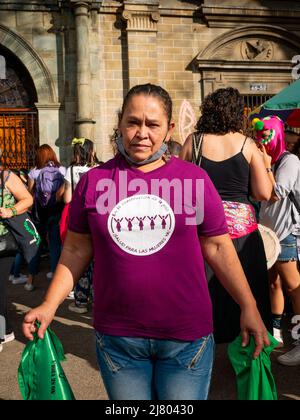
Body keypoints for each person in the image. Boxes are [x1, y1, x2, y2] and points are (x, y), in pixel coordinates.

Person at [23, 84, 269, 400]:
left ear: (168, 129)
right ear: (120, 124)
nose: (142, 133)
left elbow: (218, 247)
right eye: (133, 122)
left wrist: (248, 305)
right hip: (119, 339)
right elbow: (75, 248)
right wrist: (49, 304)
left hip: (186, 339)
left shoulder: (194, 180)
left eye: (152, 125)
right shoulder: (94, 183)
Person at [180, 87, 273, 344]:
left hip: (203, 233)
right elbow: (263, 193)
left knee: (205, 294)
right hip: (243, 235)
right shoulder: (247, 144)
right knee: (246, 291)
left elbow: (180, 190)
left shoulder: (193, 141)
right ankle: (246, 345)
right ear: (236, 113)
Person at [255, 116, 300, 366]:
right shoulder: (267, 161)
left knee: (295, 287)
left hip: (287, 233)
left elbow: (277, 194)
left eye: (266, 136)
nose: (262, 142)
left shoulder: (289, 161)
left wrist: (266, 166)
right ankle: (277, 335)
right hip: (268, 235)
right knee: (274, 284)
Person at [0, 149, 33, 352]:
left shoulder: (7, 177)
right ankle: (8, 329)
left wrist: (9, 210)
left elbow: (28, 199)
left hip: (4, 243)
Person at [63, 137, 99, 313]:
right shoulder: (99, 169)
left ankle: (81, 301)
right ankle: (97, 298)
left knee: (79, 257)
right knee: (98, 259)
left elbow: (67, 199)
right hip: (96, 218)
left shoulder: (70, 170)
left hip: (78, 218)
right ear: (91, 151)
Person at [26, 145, 66, 290]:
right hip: (56, 211)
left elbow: (29, 194)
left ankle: (30, 280)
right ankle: (54, 275)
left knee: (36, 244)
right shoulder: (62, 170)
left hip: (39, 213)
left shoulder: (34, 172)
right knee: (55, 245)